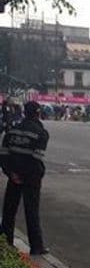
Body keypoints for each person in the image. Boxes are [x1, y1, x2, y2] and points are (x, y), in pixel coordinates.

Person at [0, 100, 50, 255]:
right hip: (31, 178)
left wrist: (12, 174)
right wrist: (34, 175)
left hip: (14, 176)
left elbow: (3, 155)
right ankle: (36, 246)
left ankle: (6, 242)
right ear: (38, 113)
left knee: (9, 210)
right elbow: (36, 159)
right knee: (31, 211)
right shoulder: (41, 133)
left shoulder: (12, 131)